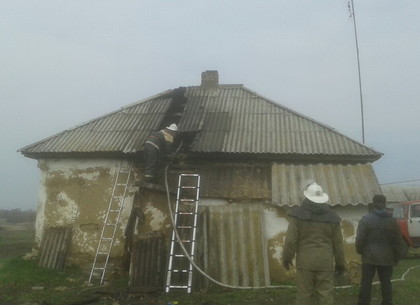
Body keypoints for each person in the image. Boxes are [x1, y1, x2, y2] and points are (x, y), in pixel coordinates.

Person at [282, 182, 345, 305]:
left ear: (307, 197)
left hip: (305, 263)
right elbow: (338, 244)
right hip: (325, 263)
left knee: (304, 296)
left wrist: (286, 258)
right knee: (326, 295)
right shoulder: (333, 218)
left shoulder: (297, 216)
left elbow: (290, 240)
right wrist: (340, 263)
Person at [356, 194, 405, 305]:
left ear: (373, 204)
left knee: (366, 283)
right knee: (386, 282)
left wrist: (360, 251)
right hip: (387, 257)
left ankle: (364, 302)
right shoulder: (393, 221)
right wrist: (397, 257)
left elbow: (360, 238)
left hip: (369, 256)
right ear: (385, 204)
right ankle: (387, 302)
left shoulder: (366, 219)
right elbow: (398, 240)